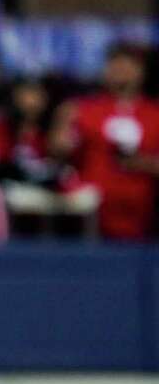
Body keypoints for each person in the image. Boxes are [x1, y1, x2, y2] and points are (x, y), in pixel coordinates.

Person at [51, 44, 159, 240]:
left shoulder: (155, 113)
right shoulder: (81, 109)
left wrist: (141, 162)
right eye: (115, 64)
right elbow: (57, 150)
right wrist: (61, 133)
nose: (120, 70)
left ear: (141, 71)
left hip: (145, 221)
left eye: (128, 65)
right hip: (92, 221)